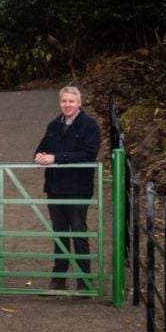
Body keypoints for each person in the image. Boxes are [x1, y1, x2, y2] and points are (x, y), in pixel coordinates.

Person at [34, 85, 101, 291]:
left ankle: (84, 282)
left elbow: (89, 154)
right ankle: (58, 279)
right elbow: (41, 148)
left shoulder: (89, 126)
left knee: (79, 233)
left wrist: (56, 158)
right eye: (64, 101)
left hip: (78, 189)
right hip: (55, 188)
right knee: (60, 234)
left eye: (71, 101)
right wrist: (38, 156)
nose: (67, 105)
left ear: (79, 103)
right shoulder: (54, 125)